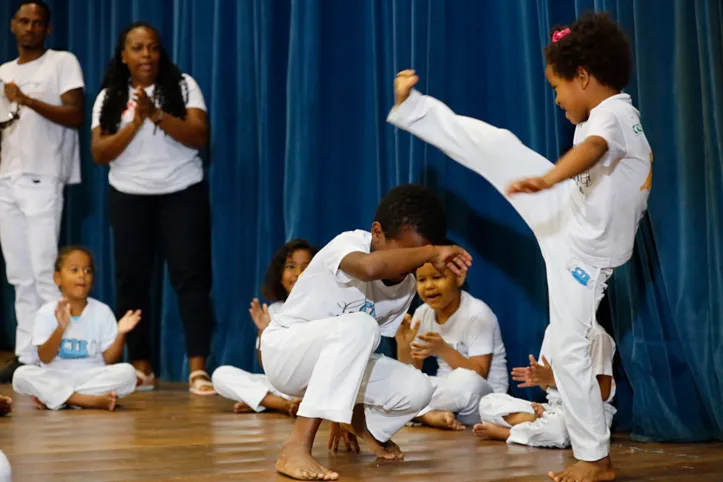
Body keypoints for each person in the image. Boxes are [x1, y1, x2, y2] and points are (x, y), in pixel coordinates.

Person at [388, 12, 650, 482]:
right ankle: (417, 110)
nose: (555, 98)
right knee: (502, 148)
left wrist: (550, 175)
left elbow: (591, 153)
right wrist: (553, 183)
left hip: (583, 254)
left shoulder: (615, 115)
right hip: (571, 215)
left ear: (584, 78)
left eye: (557, 87)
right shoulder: (611, 114)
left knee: (569, 348)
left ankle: (595, 457)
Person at [260, 184, 472, 480]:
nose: (410, 264)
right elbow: (370, 269)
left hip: (328, 364)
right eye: (408, 253)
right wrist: (432, 251)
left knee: (418, 389)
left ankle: (363, 427)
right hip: (285, 354)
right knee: (361, 323)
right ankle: (295, 447)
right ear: (376, 233)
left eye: (419, 256)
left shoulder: (405, 288)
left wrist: (341, 409)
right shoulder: (348, 244)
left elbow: (359, 352)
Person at [90, 22, 214, 395]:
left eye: (153, 48)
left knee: (191, 279)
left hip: (181, 193)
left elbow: (199, 135)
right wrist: (136, 121)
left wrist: (158, 115)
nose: (146, 55)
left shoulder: (183, 86)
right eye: (138, 48)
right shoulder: (109, 97)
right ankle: (142, 366)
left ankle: (197, 368)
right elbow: (99, 152)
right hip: (129, 196)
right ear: (124, 56)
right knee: (132, 281)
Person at [0, 0, 85, 383]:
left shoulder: (61, 62)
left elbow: (75, 113)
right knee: (18, 273)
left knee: (42, 271)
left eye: (38, 23)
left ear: (47, 30)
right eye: (23, 21)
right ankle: (25, 353)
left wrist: (28, 99)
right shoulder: (3, 72)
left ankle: (53, 356)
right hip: (7, 179)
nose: (30, 28)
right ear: (12, 25)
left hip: (43, 176)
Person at [12, 247, 139, 411]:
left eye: (87, 270)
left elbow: (110, 359)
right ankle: (85, 400)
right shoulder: (46, 312)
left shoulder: (103, 311)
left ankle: (59, 398)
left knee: (128, 373)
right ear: (57, 278)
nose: (82, 275)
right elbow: (45, 358)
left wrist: (121, 333)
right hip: (57, 376)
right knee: (21, 375)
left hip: (92, 375)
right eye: (74, 270)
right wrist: (60, 329)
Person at [395, 253, 508, 430]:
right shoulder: (422, 313)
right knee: (392, 380)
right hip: (445, 391)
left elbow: (479, 373)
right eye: (422, 280)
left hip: (483, 397)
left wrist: (443, 349)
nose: (429, 286)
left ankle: (420, 414)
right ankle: (429, 414)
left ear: (459, 277)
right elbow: (412, 375)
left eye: (437, 277)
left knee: (465, 380)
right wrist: (403, 344)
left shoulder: (478, 314)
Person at [212, 239, 318, 415]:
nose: (298, 273)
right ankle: (282, 404)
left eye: (306, 267)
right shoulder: (274, 311)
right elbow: (266, 366)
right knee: (220, 375)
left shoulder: (324, 306)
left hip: (316, 385)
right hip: (284, 387)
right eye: (291, 267)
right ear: (279, 274)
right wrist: (264, 331)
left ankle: (264, 402)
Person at [475, 324, 616, 449]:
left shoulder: (597, 336)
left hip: (588, 413)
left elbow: (602, 393)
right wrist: (537, 378)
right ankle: (536, 421)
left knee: (558, 429)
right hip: (553, 407)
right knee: (487, 403)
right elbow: (546, 386)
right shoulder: (553, 330)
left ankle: (508, 433)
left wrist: (554, 379)